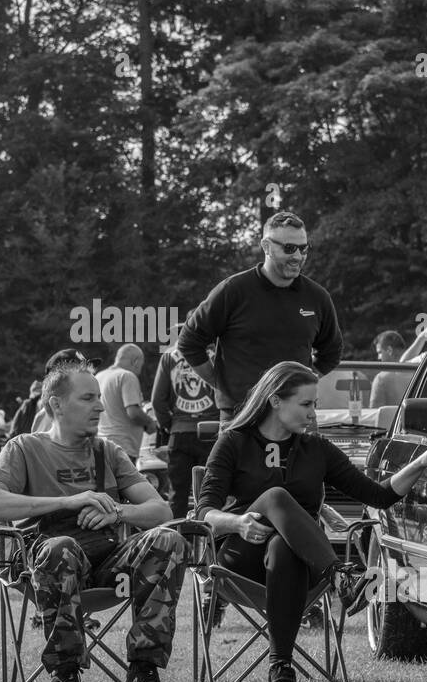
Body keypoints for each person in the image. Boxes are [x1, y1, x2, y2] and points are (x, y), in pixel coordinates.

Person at [197, 361, 427, 682]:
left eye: (314, 404)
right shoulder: (234, 442)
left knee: (283, 548)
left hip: (298, 565)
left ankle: (281, 669)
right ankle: (341, 577)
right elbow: (204, 514)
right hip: (239, 561)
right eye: (305, 404)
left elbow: (377, 495)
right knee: (276, 496)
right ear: (275, 401)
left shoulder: (316, 449)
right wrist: (239, 522)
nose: (313, 413)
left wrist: (418, 464)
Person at [0, 359, 184, 682]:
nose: (100, 406)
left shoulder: (107, 451)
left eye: (99, 398)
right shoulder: (24, 448)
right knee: (62, 547)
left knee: (168, 539)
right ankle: (65, 678)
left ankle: (142, 672)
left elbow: (161, 511)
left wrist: (117, 512)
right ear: (56, 404)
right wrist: (69, 502)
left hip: (105, 563)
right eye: (88, 398)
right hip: (45, 563)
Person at [178, 212, 343, 426]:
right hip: (240, 415)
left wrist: (303, 384)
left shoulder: (317, 297)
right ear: (266, 247)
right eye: (289, 248)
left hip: (296, 417)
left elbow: (332, 352)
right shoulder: (233, 290)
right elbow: (189, 341)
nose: (298, 256)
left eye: (303, 249)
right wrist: (220, 384)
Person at [151, 322, 217, 518]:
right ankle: (212, 542)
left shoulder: (169, 356)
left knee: (177, 495)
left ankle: (177, 543)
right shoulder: (219, 354)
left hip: (180, 432)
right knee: (212, 493)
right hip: (212, 431)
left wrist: (170, 425)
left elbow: (157, 400)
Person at [8, 348, 98, 438]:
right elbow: (42, 449)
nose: (89, 377)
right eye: (81, 373)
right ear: (57, 380)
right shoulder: (52, 417)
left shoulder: (82, 413)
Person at [95, 344, 156, 462]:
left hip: (100, 445)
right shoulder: (127, 376)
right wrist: (149, 423)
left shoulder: (99, 377)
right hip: (122, 448)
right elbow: (133, 412)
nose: (139, 372)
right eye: (140, 367)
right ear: (135, 361)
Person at [369, 330, 412, 409]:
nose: (378, 358)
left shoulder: (381, 379)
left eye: (380, 353)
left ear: (389, 350)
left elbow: (375, 413)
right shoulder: (422, 372)